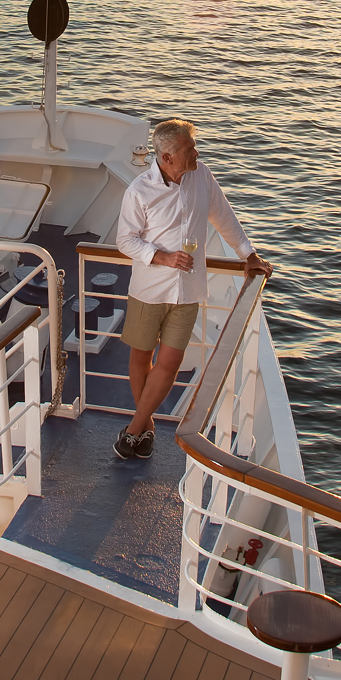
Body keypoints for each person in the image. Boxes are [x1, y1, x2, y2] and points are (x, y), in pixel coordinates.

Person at [112, 119, 272, 460]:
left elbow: (223, 216)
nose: (196, 154)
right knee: (141, 356)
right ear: (167, 157)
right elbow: (125, 240)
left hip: (188, 290)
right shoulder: (139, 191)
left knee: (170, 362)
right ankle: (147, 427)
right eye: (190, 150)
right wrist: (162, 257)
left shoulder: (202, 177)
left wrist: (248, 254)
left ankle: (134, 429)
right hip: (148, 289)